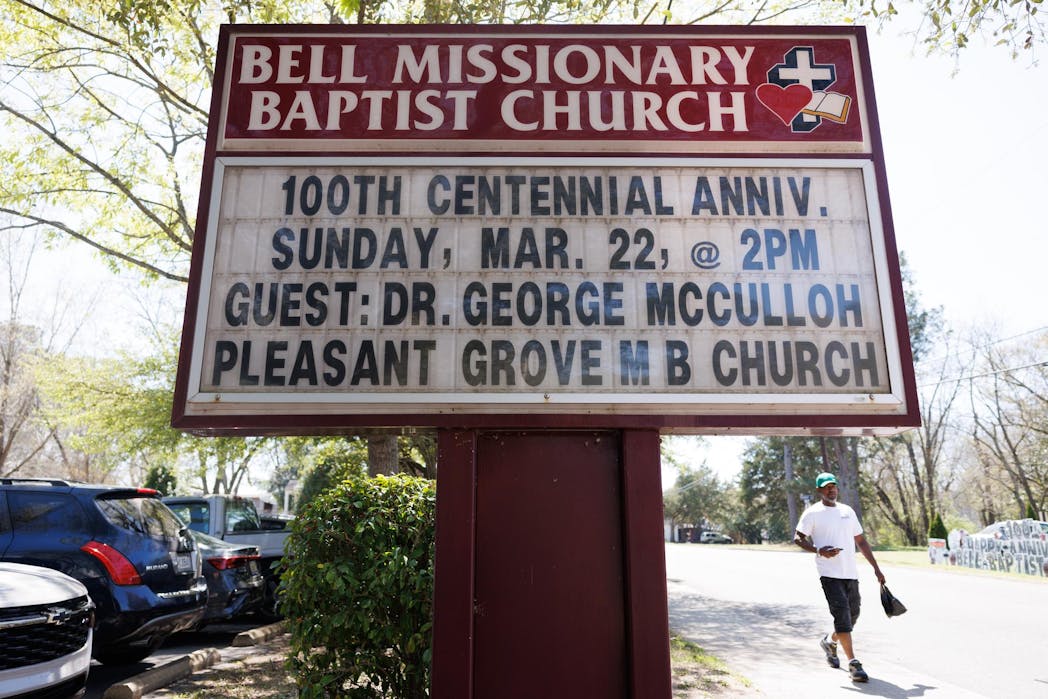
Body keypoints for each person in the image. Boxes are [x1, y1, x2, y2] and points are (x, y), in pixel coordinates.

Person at [794, 472, 885, 683]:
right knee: (842, 615)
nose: (831, 490)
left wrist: (876, 569)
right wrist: (819, 550)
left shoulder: (847, 511)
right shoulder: (812, 513)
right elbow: (798, 538)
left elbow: (861, 541)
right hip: (829, 574)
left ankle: (829, 641)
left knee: (852, 616)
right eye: (826, 487)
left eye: (833, 486)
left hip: (850, 573)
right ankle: (854, 664)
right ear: (819, 490)